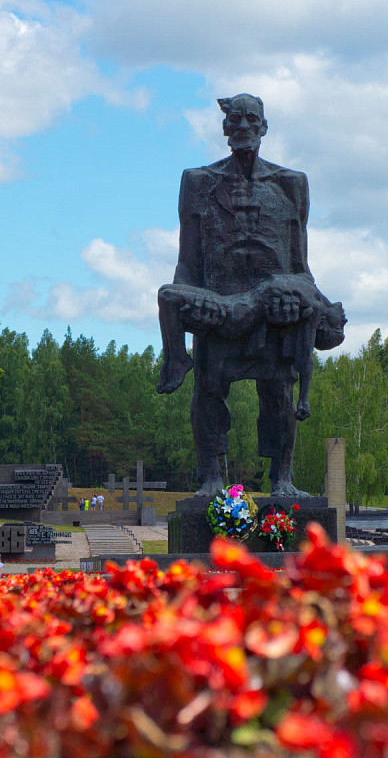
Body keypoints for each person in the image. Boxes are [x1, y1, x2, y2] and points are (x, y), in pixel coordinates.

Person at [156, 94, 346, 497]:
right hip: (218, 304)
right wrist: (188, 307)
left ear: (264, 127)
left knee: (279, 393)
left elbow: (300, 263)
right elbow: (187, 260)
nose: (242, 126)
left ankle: (283, 480)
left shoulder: (291, 184)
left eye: (251, 119)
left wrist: (310, 302)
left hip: (276, 311)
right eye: (235, 119)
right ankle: (211, 479)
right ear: (225, 128)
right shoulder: (198, 181)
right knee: (208, 387)